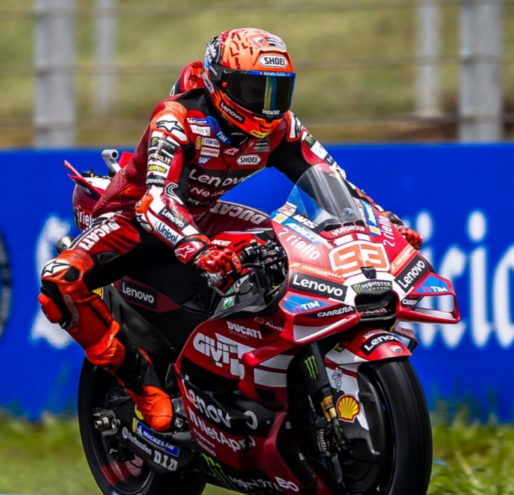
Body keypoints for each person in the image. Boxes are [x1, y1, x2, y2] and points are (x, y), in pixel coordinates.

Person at [38, 28, 422, 432]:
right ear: (220, 84)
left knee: (295, 242)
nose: (268, 107)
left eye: (278, 92)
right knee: (59, 281)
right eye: (255, 91)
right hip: (134, 220)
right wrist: (199, 249)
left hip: (202, 214)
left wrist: (385, 224)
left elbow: (332, 181)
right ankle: (138, 380)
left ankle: (269, 367)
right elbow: (156, 202)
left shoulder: (282, 126)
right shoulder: (177, 118)